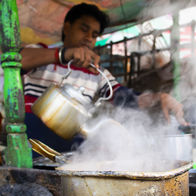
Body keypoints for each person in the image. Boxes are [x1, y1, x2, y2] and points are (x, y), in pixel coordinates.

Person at [20, 2, 187, 155]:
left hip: (70, 155)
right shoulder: (43, 54)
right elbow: (19, 58)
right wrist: (64, 55)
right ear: (67, 27)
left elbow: (126, 98)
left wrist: (159, 97)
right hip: (33, 150)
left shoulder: (96, 72)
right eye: (83, 29)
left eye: (94, 35)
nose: (88, 38)